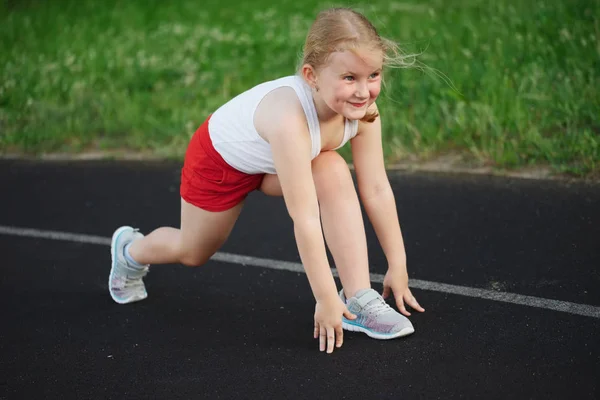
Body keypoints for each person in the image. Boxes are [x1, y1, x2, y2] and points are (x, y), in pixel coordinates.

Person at [109, 7, 425, 354]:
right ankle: (130, 251)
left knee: (333, 168)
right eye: (349, 78)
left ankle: (358, 298)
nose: (363, 91)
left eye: (374, 75)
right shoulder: (289, 120)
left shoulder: (364, 112)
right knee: (192, 251)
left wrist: (398, 263)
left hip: (273, 161)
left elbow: (377, 188)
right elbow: (303, 217)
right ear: (311, 75)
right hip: (220, 161)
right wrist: (322, 298)